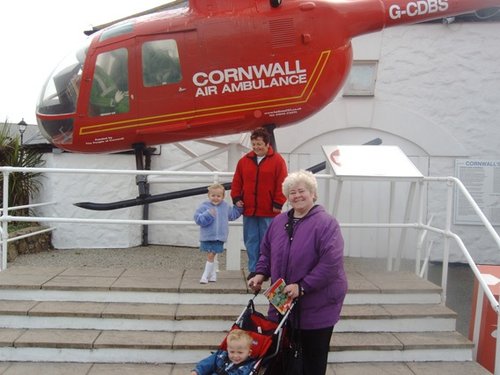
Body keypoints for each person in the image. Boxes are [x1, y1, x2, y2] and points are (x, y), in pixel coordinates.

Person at [248, 170, 348, 375]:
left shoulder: (326, 223)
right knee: (280, 360)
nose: (297, 196)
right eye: (292, 192)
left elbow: (331, 262)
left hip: (317, 306)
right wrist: (260, 273)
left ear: (313, 193)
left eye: (302, 191)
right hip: (282, 306)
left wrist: (303, 286)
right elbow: (266, 252)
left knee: (312, 361)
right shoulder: (278, 221)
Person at [231, 127, 287, 279]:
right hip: (249, 209)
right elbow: (237, 181)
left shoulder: (278, 161)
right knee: (251, 241)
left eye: (259, 144)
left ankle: (267, 270)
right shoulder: (244, 161)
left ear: (267, 144)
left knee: (268, 241)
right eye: (254, 144)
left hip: (269, 210)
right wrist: (236, 198)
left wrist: (278, 202)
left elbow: (282, 183)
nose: (256, 147)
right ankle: (254, 270)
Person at [194, 183, 243, 283]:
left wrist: (239, 208)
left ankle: (205, 276)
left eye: (218, 196)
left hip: (219, 236)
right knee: (210, 255)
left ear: (223, 196)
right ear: (209, 195)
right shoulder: (204, 206)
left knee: (211, 255)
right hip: (207, 236)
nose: (215, 198)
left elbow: (233, 215)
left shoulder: (225, 206)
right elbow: (198, 219)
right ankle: (212, 275)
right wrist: (208, 214)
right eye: (213, 196)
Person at [191, 329, 256, 375]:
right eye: (232, 352)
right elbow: (209, 362)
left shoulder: (247, 367)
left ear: (249, 353)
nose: (235, 356)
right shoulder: (222, 355)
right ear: (227, 349)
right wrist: (197, 371)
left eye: (240, 352)